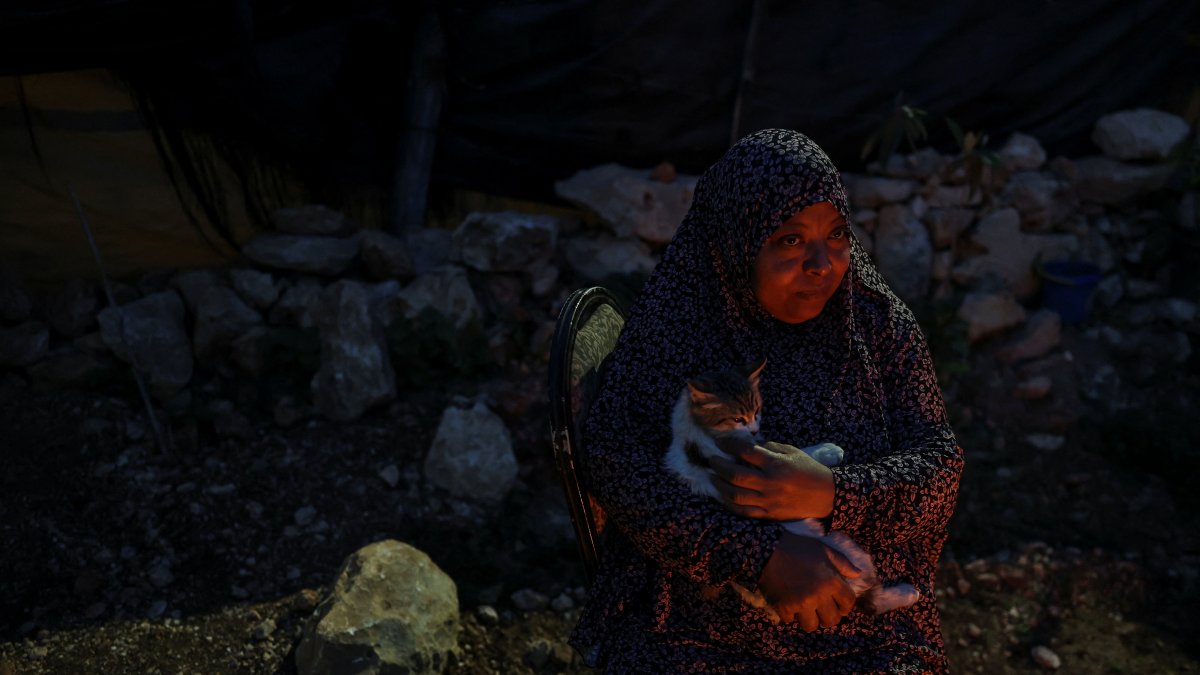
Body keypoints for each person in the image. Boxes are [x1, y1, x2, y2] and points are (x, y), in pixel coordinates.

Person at [569, 129, 964, 672]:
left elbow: (940, 468)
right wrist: (759, 557)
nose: (823, 264)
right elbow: (617, 462)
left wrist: (828, 490)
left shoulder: (874, 324)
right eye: (790, 240)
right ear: (737, 241)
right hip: (695, 633)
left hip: (865, 635)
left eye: (837, 234)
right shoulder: (677, 325)